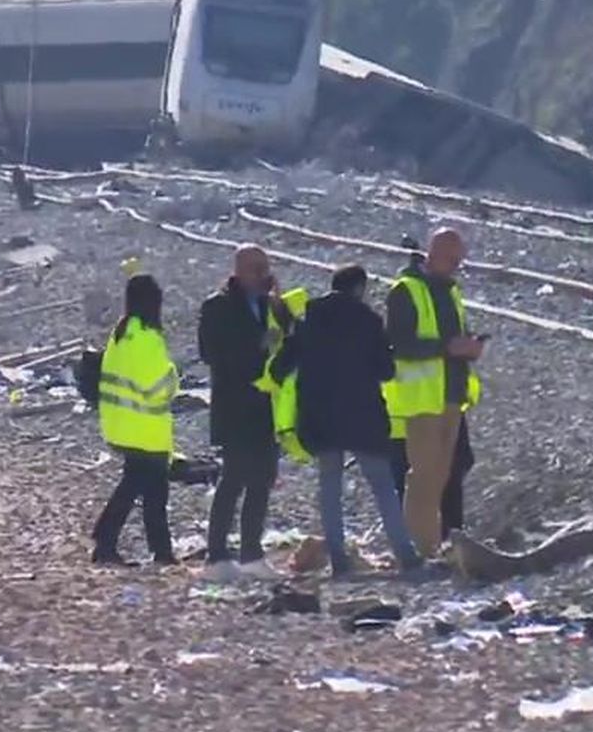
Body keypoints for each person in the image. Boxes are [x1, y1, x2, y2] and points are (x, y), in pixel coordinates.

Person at [270, 265, 429, 578]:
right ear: (359, 288)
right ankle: (405, 555)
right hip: (363, 416)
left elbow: (280, 367)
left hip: (320, 417)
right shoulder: (369, 321)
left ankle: (339, 561)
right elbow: (386, 370)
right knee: (383, 486)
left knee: (329, 487)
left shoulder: (309, 319)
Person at [386, 228, 485, 558]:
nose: (457, 266)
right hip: (423, 399)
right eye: (452, 259)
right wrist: (448, 347)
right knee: (424, 477)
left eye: (460, 260)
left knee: (442, 474)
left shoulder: (451, 291)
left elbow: (455, 333)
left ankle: (433, 545)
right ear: (433, 253)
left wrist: (469, 346)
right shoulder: (406, 290)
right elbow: (399, 344)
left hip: (451, 395)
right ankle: (419, 549)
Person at [197, 245, 292, 581]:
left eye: (265, 267)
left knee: (263, 479)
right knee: (233, 478)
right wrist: (258, 345)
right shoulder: (217, 306)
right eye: (255, 268)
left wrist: (280, 298)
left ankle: (252, 553)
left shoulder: (271, 306)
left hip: (267, 408)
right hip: (235, 407)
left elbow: (293, 339)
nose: (261, 275)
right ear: (238, 271)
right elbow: (213, 353)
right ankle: (217, 555)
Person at [91, 273, 179, 567]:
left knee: (150, 488)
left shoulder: (121, 332)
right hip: (146, 428)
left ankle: (162, 550)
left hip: (123, 424)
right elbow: (157, 387)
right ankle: (105, 540)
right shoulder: (147, 337)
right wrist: (174, 377)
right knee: (143, 489)